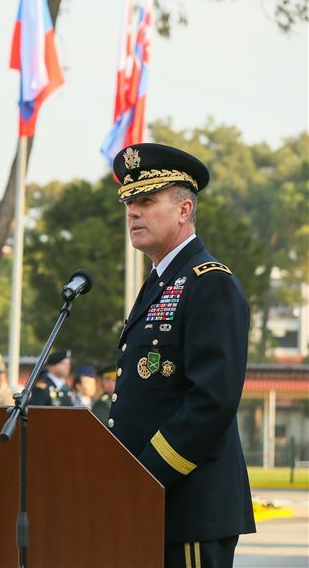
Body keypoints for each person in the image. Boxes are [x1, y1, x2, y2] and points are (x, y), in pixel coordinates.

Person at [110, 142, 255, 566]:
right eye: (128, 203)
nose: (132, 212)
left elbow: (212, 400)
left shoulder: (210, 283)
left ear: (184, 210)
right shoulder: (160, 282)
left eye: (146, 201)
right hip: (153, 503)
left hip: (189, 505)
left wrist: (148, 474)